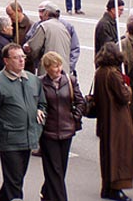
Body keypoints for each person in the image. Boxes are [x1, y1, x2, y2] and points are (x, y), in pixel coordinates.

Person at [0, 43, 47, 201]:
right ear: (6, 61)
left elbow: (42, 103)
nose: (21, 60)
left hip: (29, 137)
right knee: (15, 183)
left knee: (15, 180)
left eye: (23, 57)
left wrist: (40, 112)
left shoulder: (32, 80)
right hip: (9, 140)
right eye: (16, 58)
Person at [94, 42, 133, 201]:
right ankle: (116, 188)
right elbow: (124, 96)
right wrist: (128, 88)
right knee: (119, 154)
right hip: (118, 119)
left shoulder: (99, 72)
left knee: (107, 152)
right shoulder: (113, 74)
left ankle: (106, 187)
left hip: (105, 118)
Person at [39, 51, 85, 201]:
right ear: (47, 68)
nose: (58, 69)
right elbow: (37, 104)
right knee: (54, 169)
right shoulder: (40, 83)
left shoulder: (70, 80)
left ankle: (47, 193)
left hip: (66, 130)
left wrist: (74, 118)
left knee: (61, 169)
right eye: (54, 66)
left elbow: (80, 101)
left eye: (59, 65)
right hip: (48, 132)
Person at [24, 2, 72, 75]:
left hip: (49, 70)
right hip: (64, 70)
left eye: (42, 12)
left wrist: (27, 50)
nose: (40, 15)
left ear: (46, 13)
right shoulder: (63, 28)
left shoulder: (43, 26)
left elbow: (34, 48)